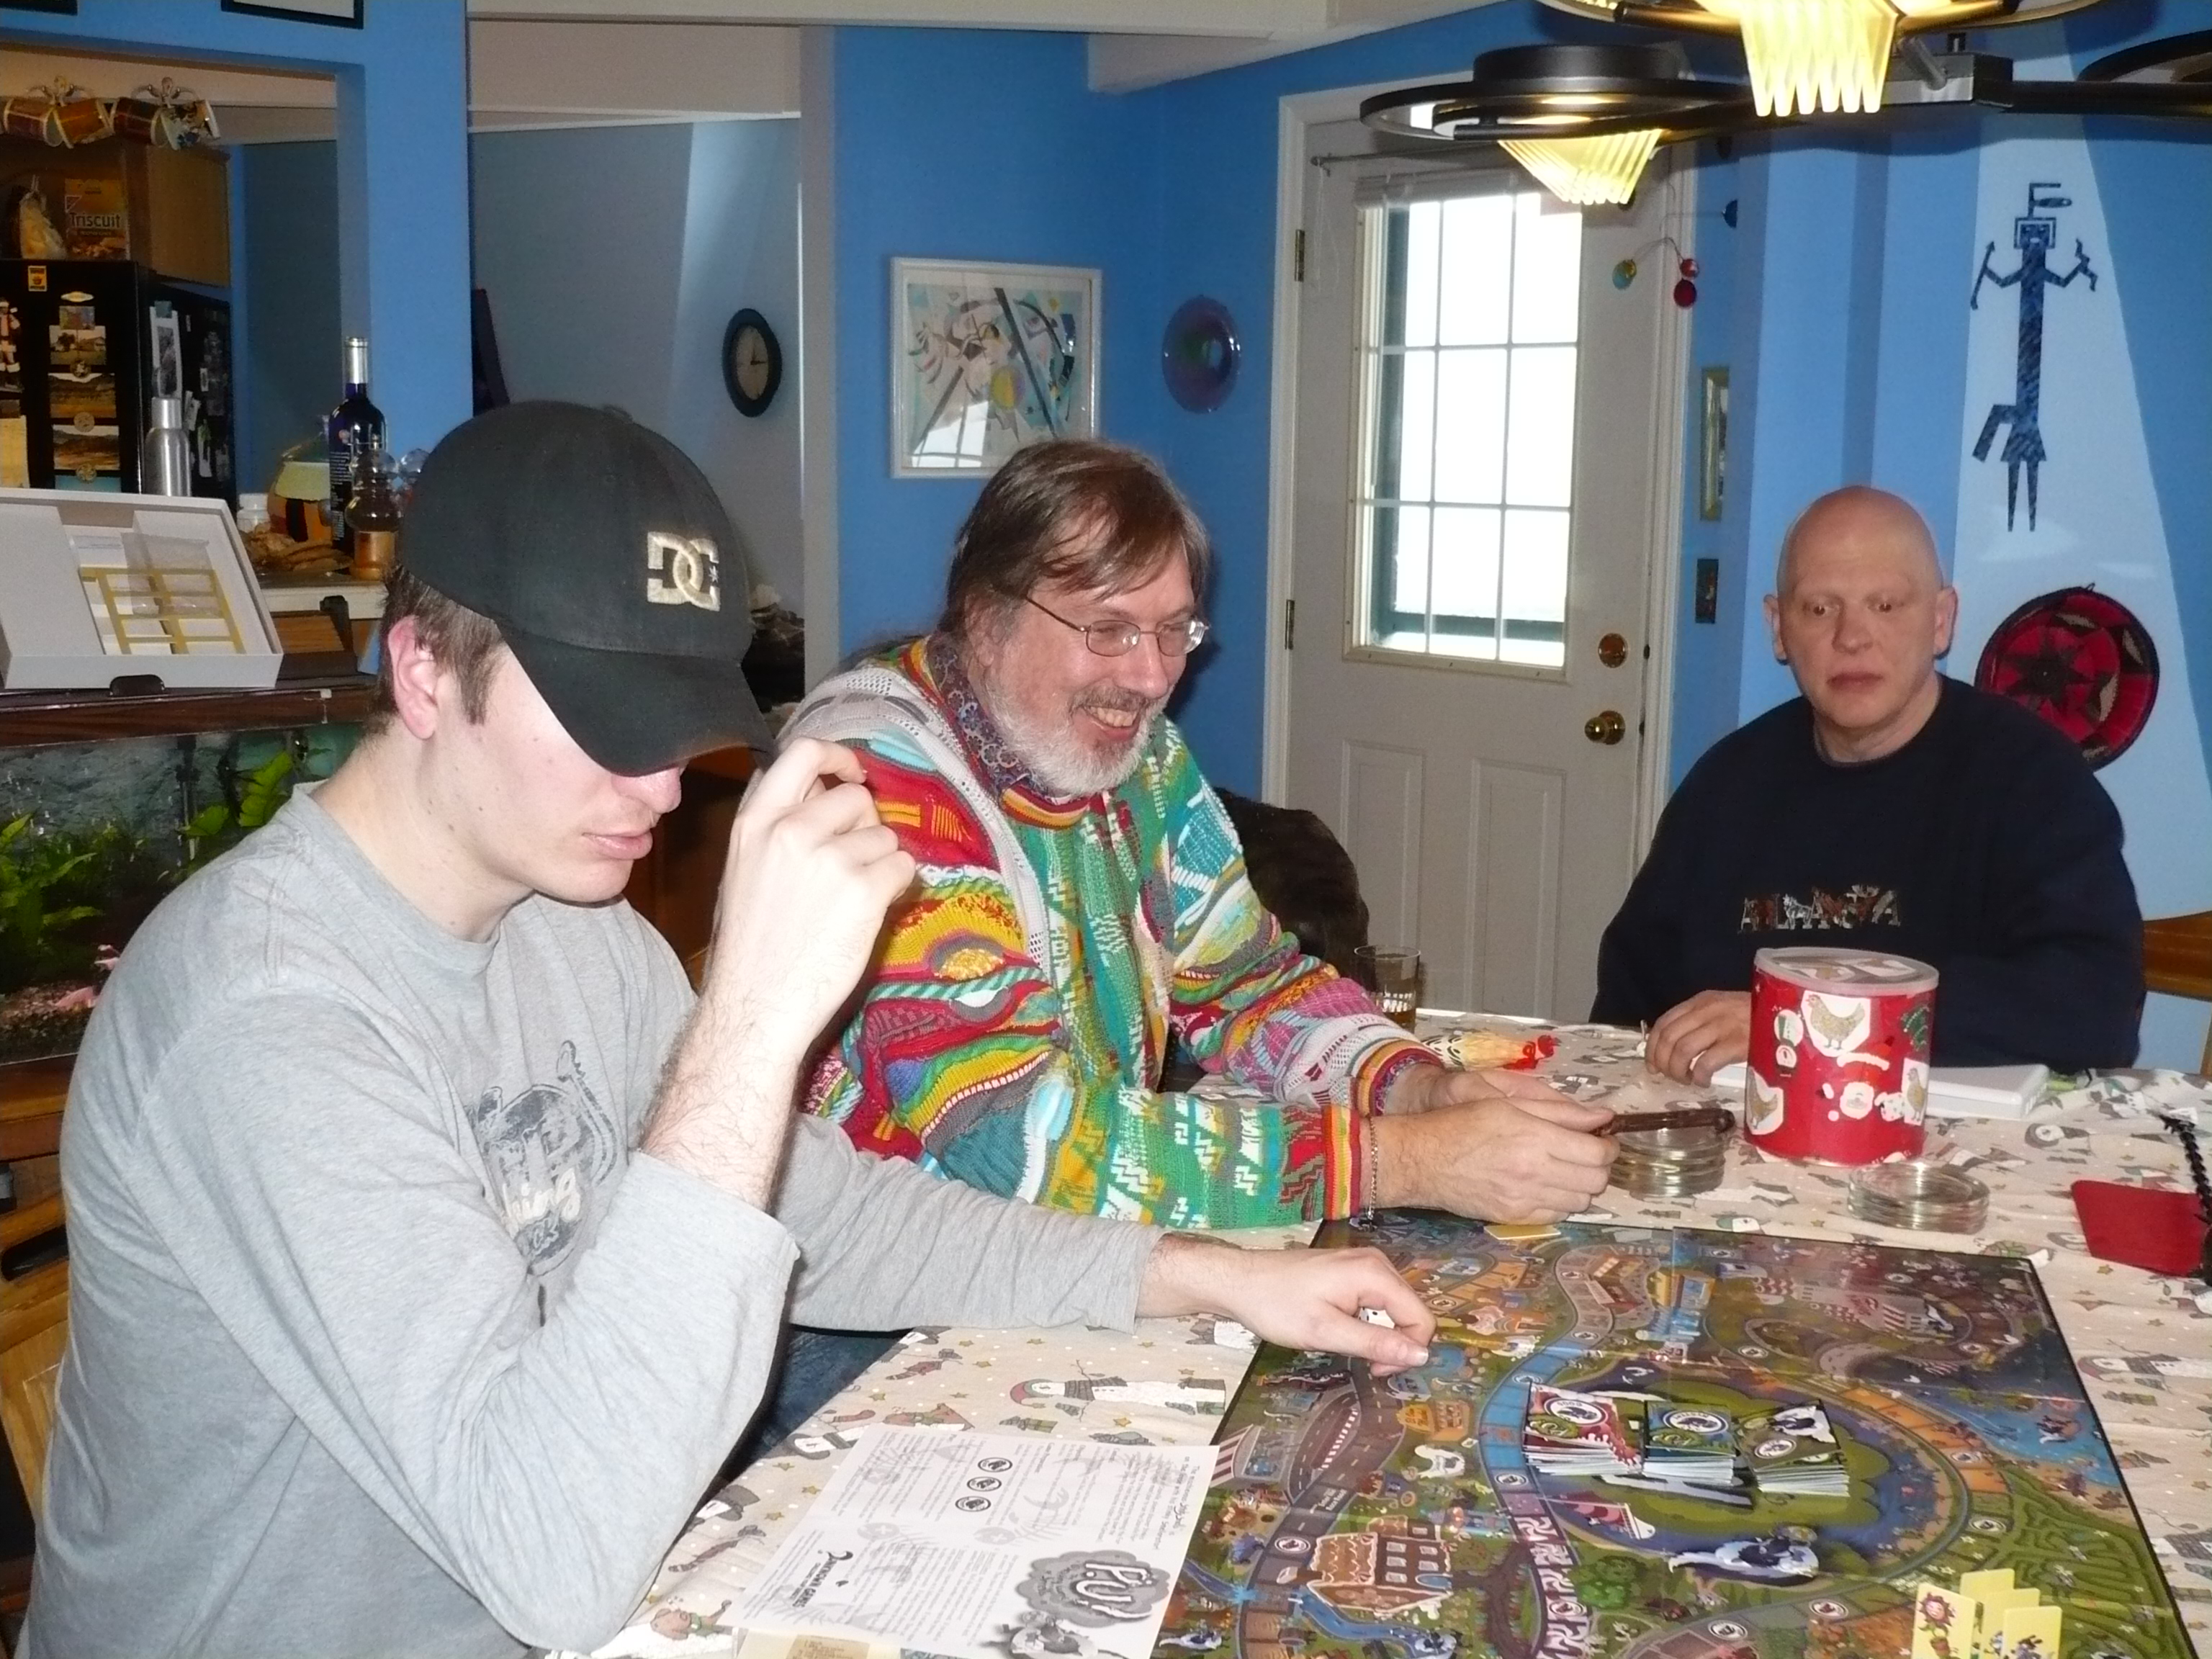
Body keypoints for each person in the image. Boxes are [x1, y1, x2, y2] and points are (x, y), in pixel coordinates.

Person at [26, 404, 1438, 1659]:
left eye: (678, 722)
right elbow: (549, 1554)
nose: (659, 785)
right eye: (605, 720)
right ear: (423, 674)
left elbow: (823, 1210)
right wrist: (752, 1026)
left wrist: (1197, 1275)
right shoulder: (270, 1017)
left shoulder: (566, 921)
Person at [791, 439, 1617, 1231]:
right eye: (1109, 629)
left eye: (1174, 630)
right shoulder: (873, 787)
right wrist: (1407, 1161)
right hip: (876, 1283)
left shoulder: (1139, 758)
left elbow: (1247, 983)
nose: (1152, 678)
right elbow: (1014, 1136)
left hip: (1056, 1245)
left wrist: (1418, 1088)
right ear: (985, 618)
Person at [1592, 485, 2142, 1083]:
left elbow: (2096, 1007)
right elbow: (1627, 1007)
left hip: (1952, 1127)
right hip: (1735, 1119)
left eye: (1885, 605)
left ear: (1941, 621)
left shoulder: (2032, 778)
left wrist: (1806, 1019)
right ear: (1778, 628)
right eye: (1819, 608)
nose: (1851, 636)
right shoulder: (1726, 785)